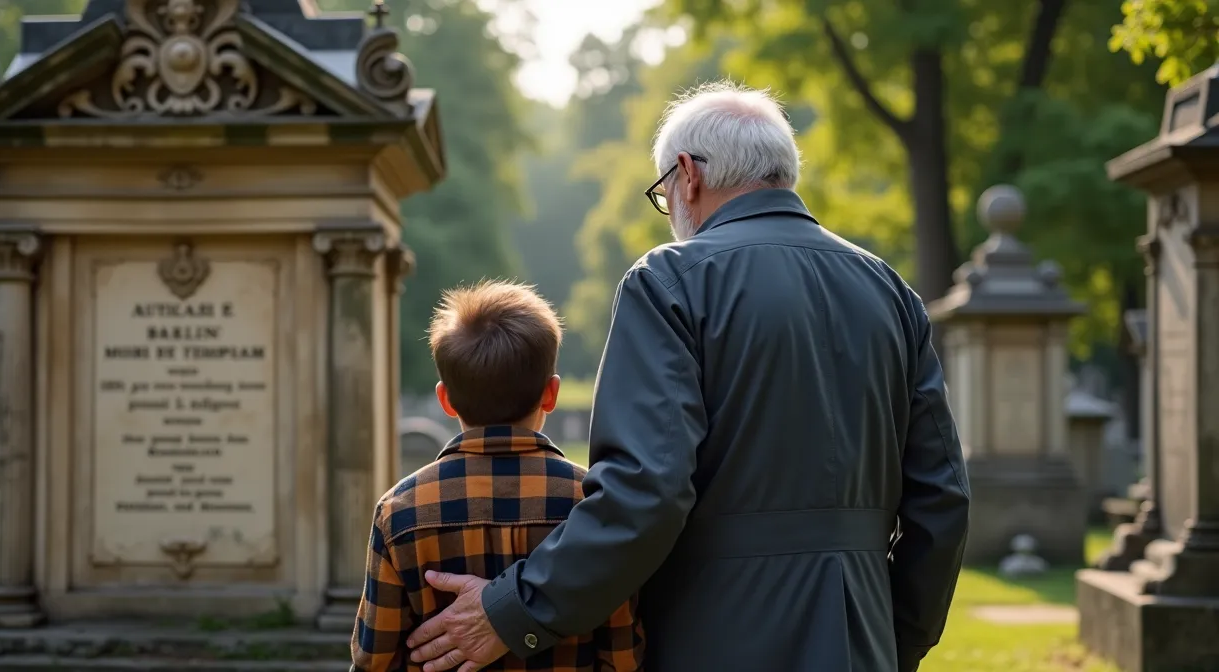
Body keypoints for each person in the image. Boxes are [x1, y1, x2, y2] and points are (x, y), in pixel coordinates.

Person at [405, 81, 971, 672]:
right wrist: (893, 636)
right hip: (861, 638)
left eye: (663, 192)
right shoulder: (890, 291)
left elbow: (646, 489)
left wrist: (515, 610)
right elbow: (942, 498)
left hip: (712, 636)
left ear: (687, 175)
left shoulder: (671, 281)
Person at [350, 280, 644, 672]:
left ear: (446, 399)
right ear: (551, 394)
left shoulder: (399, 514)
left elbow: (375, 661)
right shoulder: (594, 503)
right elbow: (624, 658)